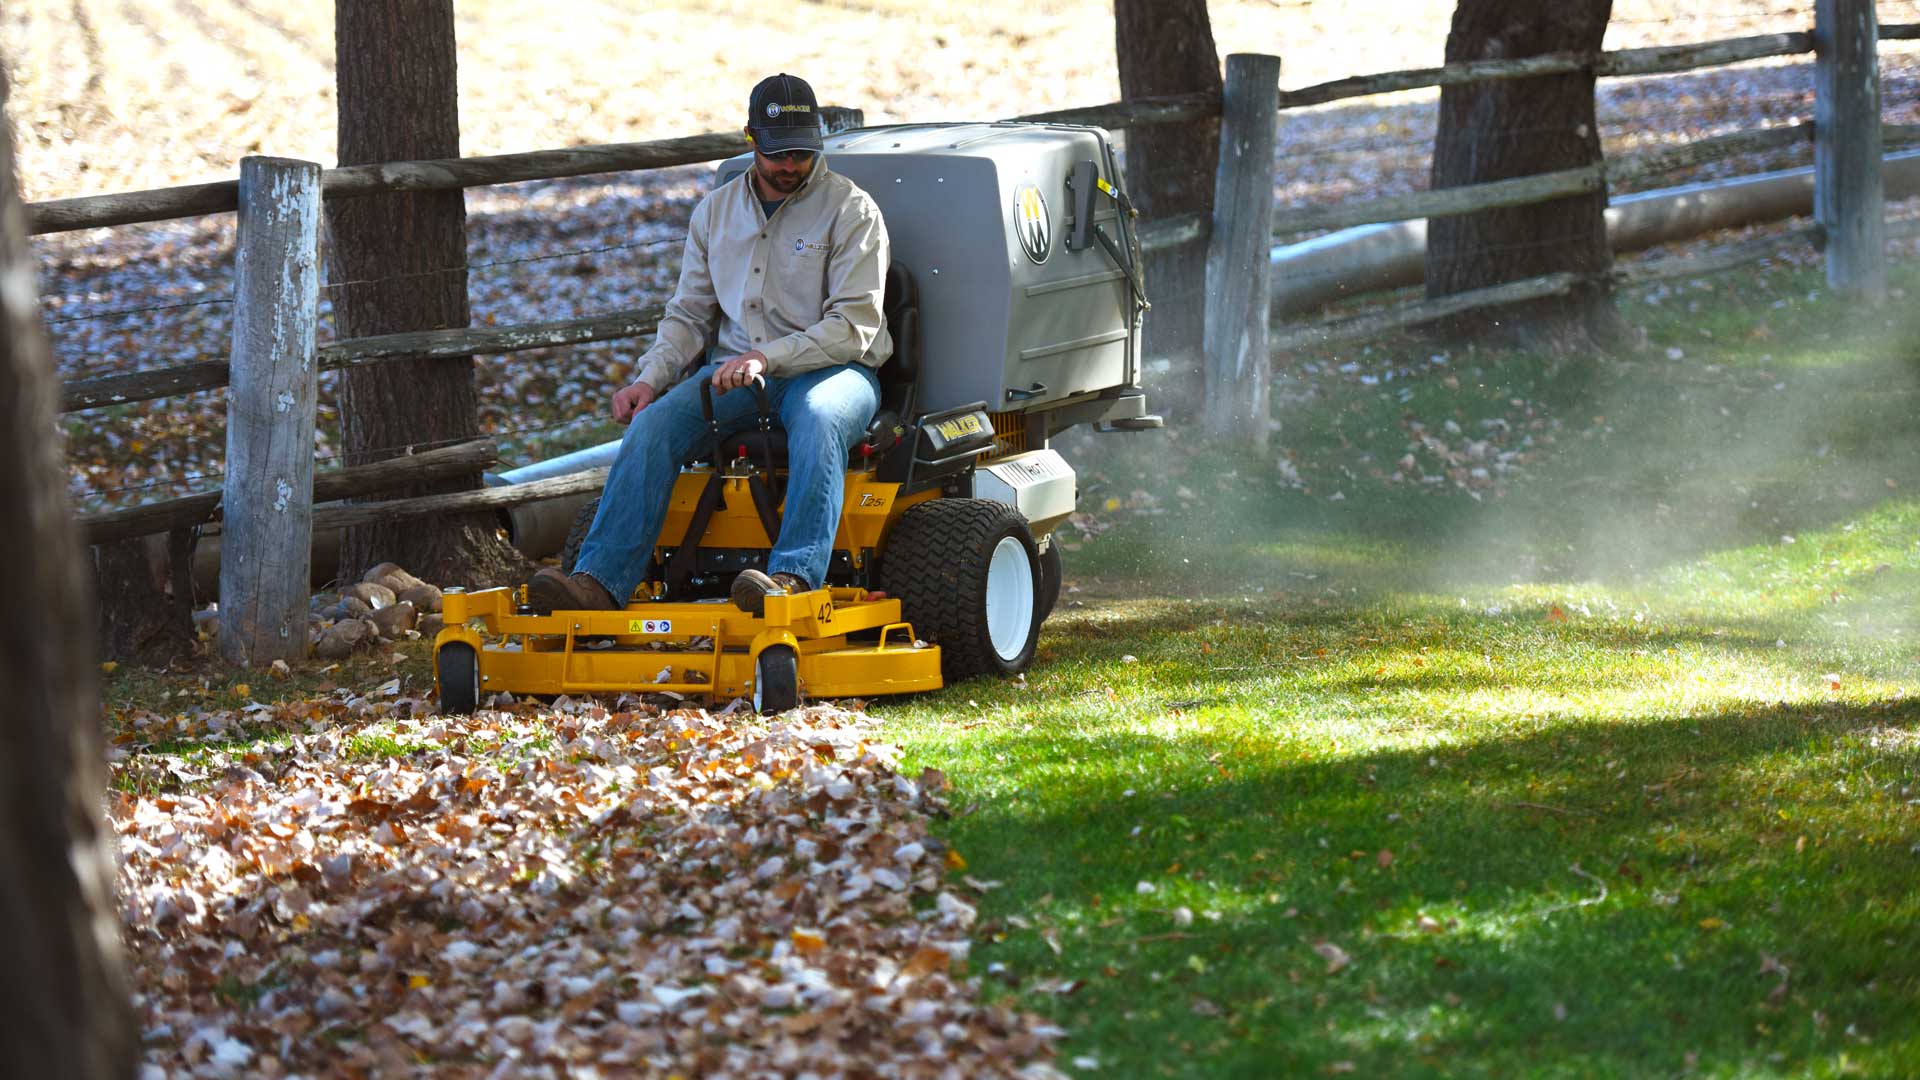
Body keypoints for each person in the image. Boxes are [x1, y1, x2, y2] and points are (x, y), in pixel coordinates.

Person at [524, 73, 892, 617]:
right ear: (750, 139)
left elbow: (853, 325)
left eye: (801, 153)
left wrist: (768, 357)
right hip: (739, 376)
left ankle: (792, 580)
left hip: (837, 371)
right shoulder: (714, 213)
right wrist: (649, 378)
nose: (791, 165)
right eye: (777, 154)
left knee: (818, 416)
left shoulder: (852, 211)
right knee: (654, 426)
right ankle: (598, 584)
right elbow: (689, 316)